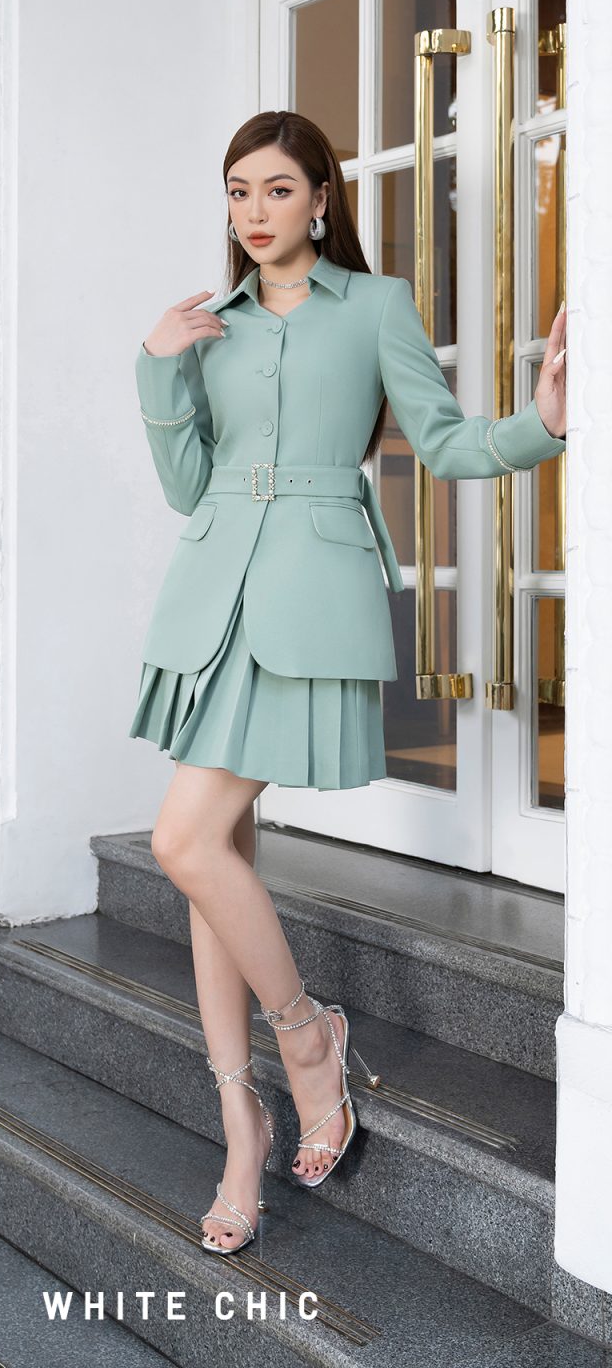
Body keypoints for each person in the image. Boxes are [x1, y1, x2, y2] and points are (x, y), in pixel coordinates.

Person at [128, 109, 567, 1256]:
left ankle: (306, 1035)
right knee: (213, 860)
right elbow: (188, 485)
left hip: (310, 598)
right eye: (237, 191)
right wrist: (159, 369)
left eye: (277, 189)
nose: (253, 212)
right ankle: (242, 1129)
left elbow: (446, 442)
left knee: (184, 843)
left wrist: (543, 423)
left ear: (321, 199)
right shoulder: (210, 324)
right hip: (213, 602)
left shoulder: (374, 308)